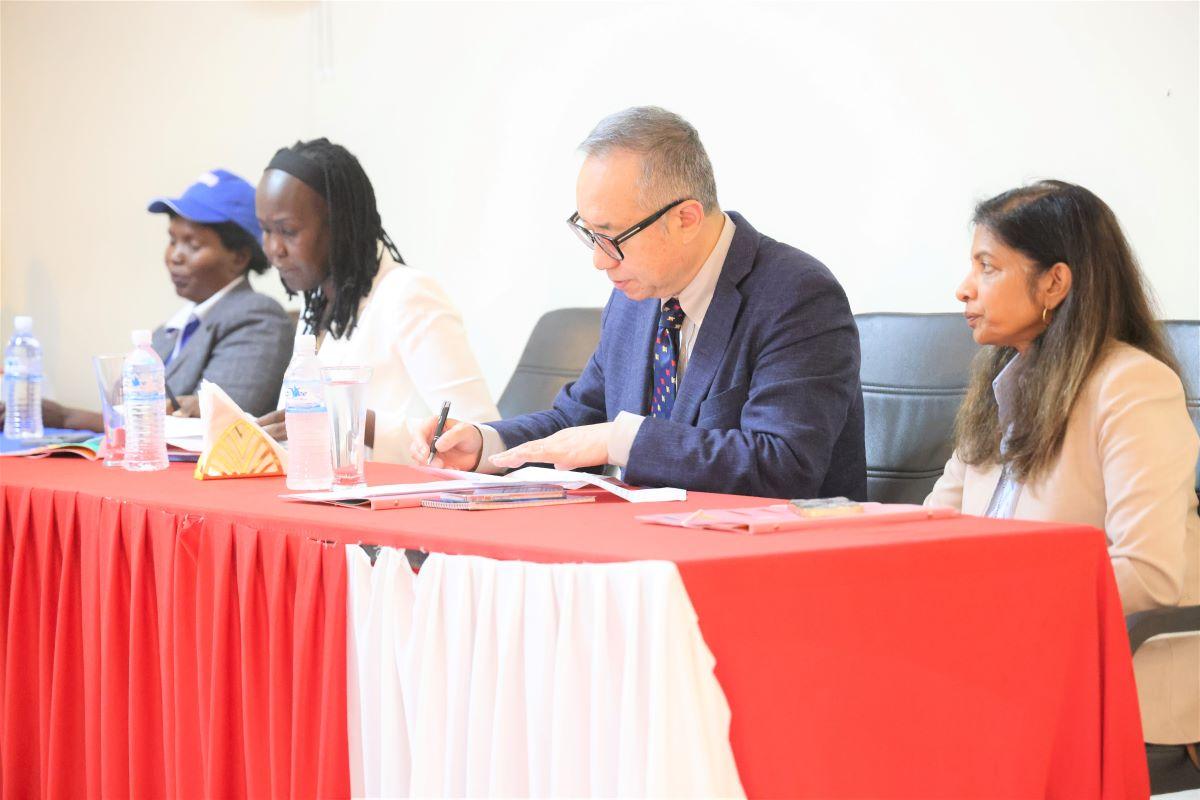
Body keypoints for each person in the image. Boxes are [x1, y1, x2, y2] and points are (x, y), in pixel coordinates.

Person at [411, 107, 865, 500]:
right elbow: (578, 420)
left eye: (612, 237)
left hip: (767, 557)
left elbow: (782, 463)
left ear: (685, 218)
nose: (598, 260)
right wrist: (485, 445)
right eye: (589, 234)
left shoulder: (796, 295)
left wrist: (624, 440)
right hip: (647, 547)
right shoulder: (635, 298)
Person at [925, 180, 1199, 746]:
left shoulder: (1133, 386)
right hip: (1000, 657)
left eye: (987, 267)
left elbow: (1149, 571)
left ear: (1054, 282)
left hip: (1101, 673)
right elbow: (933, 529)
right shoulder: (1002, 384)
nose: (964, 288)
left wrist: (1006, 606)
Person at [254, 138, 498, 463]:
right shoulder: (318, 308)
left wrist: (355, 420)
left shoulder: (408, 295)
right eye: (265, 230)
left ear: (340, 226)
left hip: (396, 493)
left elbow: (481, 437)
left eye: (288, 231)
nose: (273, 249)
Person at [8, 169, 293, 430]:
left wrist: (68, 418)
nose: (175, 256)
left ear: (239, 257)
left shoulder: (258, 317)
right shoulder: (170, 330)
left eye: (193, 245)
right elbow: (123, 408)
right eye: (173, 240)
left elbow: (217, 423)